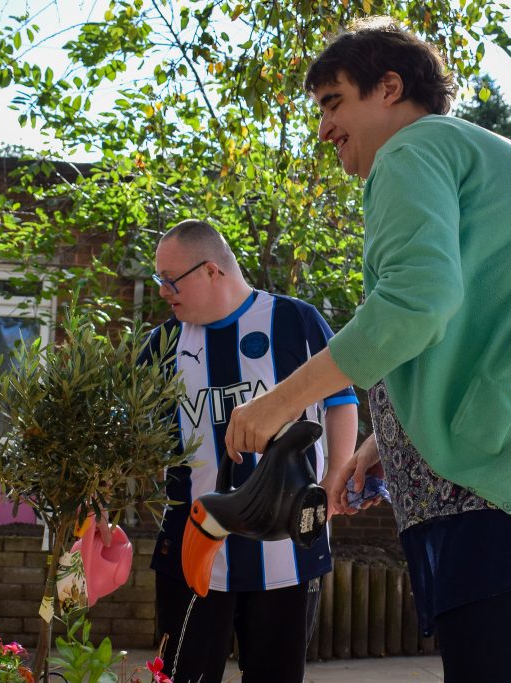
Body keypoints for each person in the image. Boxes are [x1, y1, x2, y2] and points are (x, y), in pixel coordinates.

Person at [224, 19, 511, 683]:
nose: (323, 128)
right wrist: (383, 442)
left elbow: (414, 304)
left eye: (333, 102)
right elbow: (457, 315)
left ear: (389, 87)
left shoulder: (413, 147)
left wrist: (281, 402)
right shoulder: (452, 151)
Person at [142, 219, 358, 683]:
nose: (163, 291)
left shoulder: (296, 322)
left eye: (170, 279)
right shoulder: (160, 347)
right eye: (158, 280)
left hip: (288, 555)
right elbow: (129, 443)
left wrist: (335, 481)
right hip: (192, 552)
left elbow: (341, 402)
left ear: (212, 271)